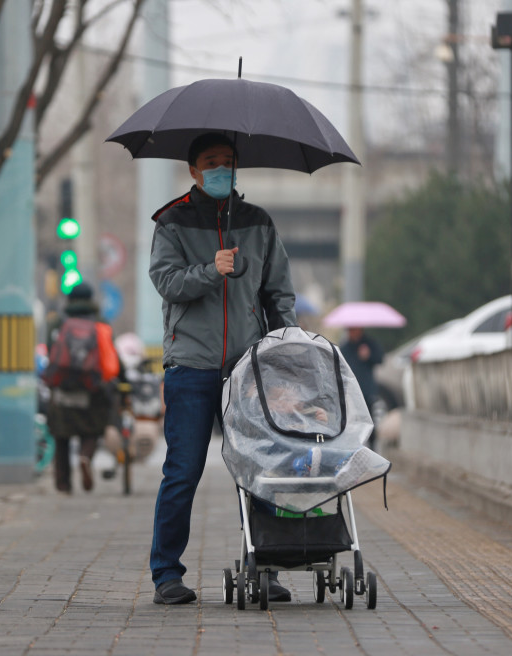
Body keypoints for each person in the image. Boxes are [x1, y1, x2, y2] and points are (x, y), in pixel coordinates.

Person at [148, 132, 298, 605]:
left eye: (229, 162)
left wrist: (284, 349)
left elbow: (278, 295)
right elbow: (167, 283)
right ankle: (166, 574)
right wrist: (212, 269)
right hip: (190, 366)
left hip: (248, 369)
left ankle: (266, 566)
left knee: (260, 469)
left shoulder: (258, 223)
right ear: (193, 170)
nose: (221, 170)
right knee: (183, 470)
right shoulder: (171, 223)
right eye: (211, 162)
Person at [44, 283, 119, 494]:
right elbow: (110, 356)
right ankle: (85, 457)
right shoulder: (101, 323)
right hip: (92, 387)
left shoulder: (58, 322)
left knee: (61, 436)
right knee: (93, 429)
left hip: (62, 388)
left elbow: (52, 353)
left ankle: (63, 484)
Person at [339, 327, 384, 448]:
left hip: (367, 390)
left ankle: (372, 447)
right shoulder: (344, 348)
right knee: (352, 422)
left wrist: (368, 356)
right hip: (351, 391)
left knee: (370, 420)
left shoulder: (369, 344)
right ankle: (354, 447)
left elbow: (380, 359)